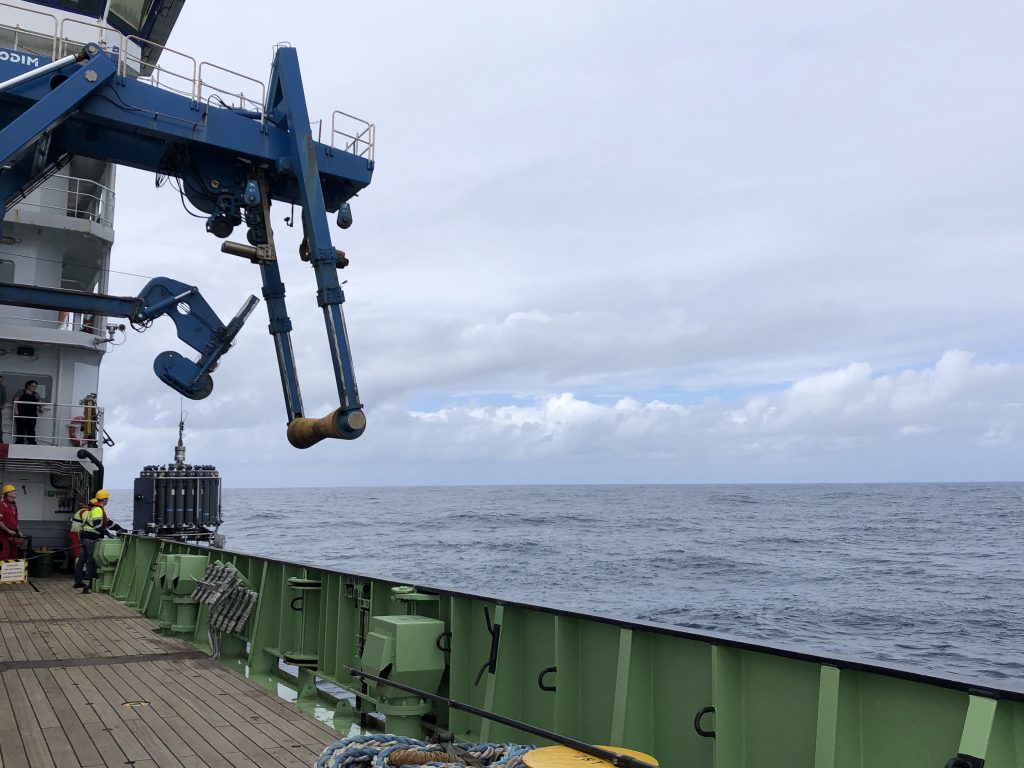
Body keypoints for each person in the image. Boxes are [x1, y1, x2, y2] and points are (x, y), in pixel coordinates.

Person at [79, 488, 115, 594]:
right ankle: (91, 583)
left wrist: (118, 528)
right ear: (105, 499)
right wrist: (107, 533)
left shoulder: (97, 509)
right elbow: (97, 525)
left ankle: (81, 581)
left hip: (85, 537)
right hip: (90, 538)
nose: (107, 501)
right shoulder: (98, 509)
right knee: (92, 561)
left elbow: (107, 522)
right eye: (107, 499)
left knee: (83, 560)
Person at [70, 497, 94, 588]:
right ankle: (80, 579)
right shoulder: (85, 512)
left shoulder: (83, 510)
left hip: (76, 534)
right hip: (77, 534)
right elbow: (89, 523)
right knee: (78, 556)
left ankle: (80, 579)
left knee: (80, 557)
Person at [13, 380, 44, 445]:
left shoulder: (36, 394)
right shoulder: (21, 392)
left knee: (31, 429)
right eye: (33, 386)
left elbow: (40, 402)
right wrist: (15, 410)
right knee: (20, 428)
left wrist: (41, 407)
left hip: (32, 415)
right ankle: (20, 442)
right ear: (28, 386)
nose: (34, 388)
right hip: (21, 414)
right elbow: (15, 401)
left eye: (35, 386)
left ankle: (31, 442)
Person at [0, 484, 24, 560]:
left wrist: (19, 530)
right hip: (3, 535)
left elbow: (15, 521)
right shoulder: (2, 505)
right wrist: (8, 530)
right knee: (3, 556)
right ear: (8, 493)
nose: (15, 492)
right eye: (13, 491)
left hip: (13, 535)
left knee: (12, 556)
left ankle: (10, 572)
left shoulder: (13, 506)